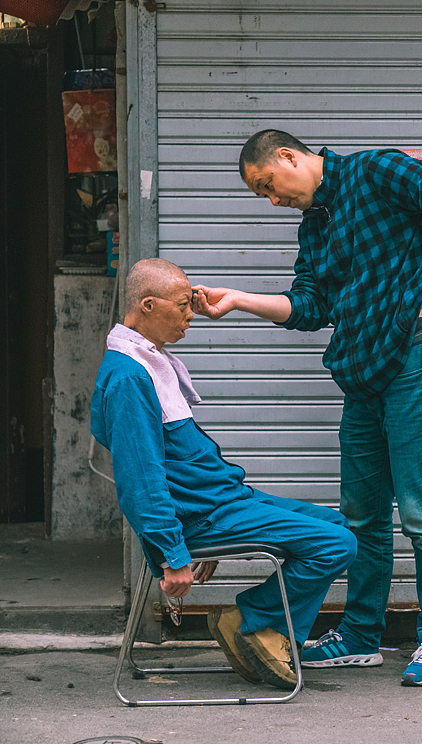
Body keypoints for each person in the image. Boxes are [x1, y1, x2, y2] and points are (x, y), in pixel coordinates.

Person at [190, 130, 422, 687]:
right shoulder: (315, 226)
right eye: (263, 197)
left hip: (415, 361)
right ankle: (361, 636)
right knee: (363, 517)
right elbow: (309, 306)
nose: (273, 200)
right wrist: (239, 301)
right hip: (360, 377)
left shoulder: (375, 171)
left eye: (268, 186)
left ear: (288, 157)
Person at [92, 258, 357, 689]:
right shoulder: (128, 376)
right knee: (337, 544)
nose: (190, 316)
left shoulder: (149, 360)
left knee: (334, 524)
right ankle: (249, 622)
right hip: (204, 516)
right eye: (182, 306)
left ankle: (268, 633)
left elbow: (180, 464)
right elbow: (140, 479)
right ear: (147, 305)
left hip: (220, 503)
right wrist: (173, 553)